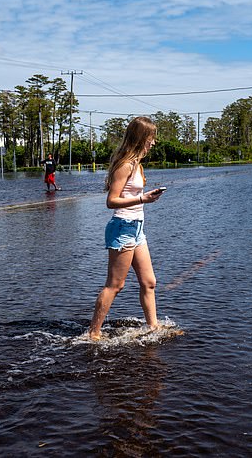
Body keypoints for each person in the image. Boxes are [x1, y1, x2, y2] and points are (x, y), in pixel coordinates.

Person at [89, 117, 164, 340]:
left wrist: (144, 198)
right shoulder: (125, 165)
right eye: (151, 138)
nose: (153, 142)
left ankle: (153, 327)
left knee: (149, 282)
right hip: (123, 227)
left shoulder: (137, 164)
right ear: (141, 138)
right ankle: (93, 332)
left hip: (137, 228)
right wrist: (143, 198)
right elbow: (111, 201)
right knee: (115, 285)